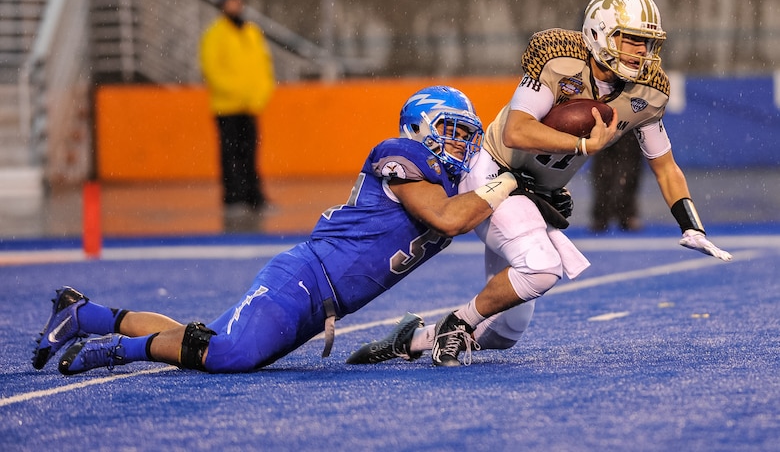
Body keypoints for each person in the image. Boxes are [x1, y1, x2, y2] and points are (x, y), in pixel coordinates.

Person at [347, 0, 733, 368]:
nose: (641, 52)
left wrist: (691, 225)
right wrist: (581, 147)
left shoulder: (648, 92)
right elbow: (517, 131)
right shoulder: (559, 59)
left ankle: (410, 339)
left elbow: (665, 165)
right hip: (495, 172)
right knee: (541, 267)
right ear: (599, 32)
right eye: (631, 40)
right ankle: (456, 323)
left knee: (504, 333)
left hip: (533, 192)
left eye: (647, 43)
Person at [32, 86, 527, 375]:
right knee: (230, 353)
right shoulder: (403, 155)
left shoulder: (449, 180)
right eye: (453, 131)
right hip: (304, 280)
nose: (463, 144)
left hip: (323, 299)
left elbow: (469, 206)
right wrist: (506, 184)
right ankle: (114, 351)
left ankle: (84, 314)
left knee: (209, 340)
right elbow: (447, 218)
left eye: (468, 133)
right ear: (420, 127)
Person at [199, 0, 276, 215]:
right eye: (231, 2)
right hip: (227, 107)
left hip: (250, 106)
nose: (236, 6)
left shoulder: (251, 32)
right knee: (230, 153)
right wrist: (237, 92)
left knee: (250, 152)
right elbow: (212, 70)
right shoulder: (215, 34)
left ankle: (254, 197)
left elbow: (264, 66)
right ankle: (233, 198)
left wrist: (260, 93)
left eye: (238, 1)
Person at [589, 0, 645, 232]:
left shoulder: (644, 18)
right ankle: (601, 212)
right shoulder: (596, 15)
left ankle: (626, 211)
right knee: (601, 155)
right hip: (603, 92)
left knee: (632, 157)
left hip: (632, 92)